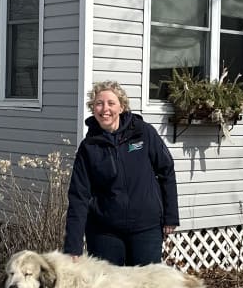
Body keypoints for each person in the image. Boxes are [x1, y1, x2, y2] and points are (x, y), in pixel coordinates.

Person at [63, 80, 178, 266]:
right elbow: (79, 196)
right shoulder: (89, 147)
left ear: (122, 106)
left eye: (111, 103)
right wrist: (73, 246)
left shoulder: (143, 133)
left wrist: (170, 215)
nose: (104, 109)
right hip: (104, 233)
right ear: (93, 108)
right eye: (98, 104)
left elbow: (166, 171)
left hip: (146, 228)